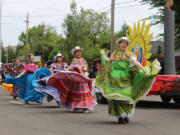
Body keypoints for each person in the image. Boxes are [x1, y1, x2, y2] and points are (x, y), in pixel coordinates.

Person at [96, 37, 161, 124]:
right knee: (115, 98)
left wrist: (143, 68)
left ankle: (125, 114)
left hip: (125, 79)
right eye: (123, 43)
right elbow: (108, 60)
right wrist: (103, 55)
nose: (124, 45)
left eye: (126, 44)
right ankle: (120, 116)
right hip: (114, 79)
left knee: (126, 98)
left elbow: (135, 62)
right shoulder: (114, 54)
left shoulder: (129, 54)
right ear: (118, 44)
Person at [47, 46, 96, 112]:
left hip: (83, 78)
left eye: (79, 52)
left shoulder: (83, 60)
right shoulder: (74, 60)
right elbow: (75, 68)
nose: (78, 53)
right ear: (74, 54)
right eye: (77, 52)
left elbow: (84, 68)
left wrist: (86, 74)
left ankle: (85, 107)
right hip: (77, 79)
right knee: (77, 92)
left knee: (84, 92)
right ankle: (76, 106)